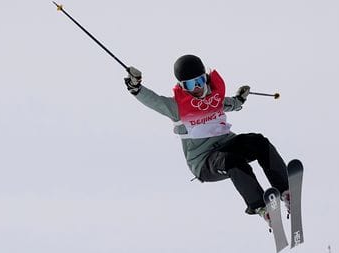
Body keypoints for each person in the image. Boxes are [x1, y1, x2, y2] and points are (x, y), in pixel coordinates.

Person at [123, 54, 290, 225]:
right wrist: (135, 87)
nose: (196, 87)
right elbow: (154, 101)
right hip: (204, 162)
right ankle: (260, 207)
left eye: (199, 81)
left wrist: (240, 99)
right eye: (189, 84)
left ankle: (286, 190)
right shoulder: (177, 107)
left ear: (206, 79)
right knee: (232, 161)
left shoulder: (214, 99)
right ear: (182, 86)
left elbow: (231, 103)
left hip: (227, 144)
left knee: (259, 142)